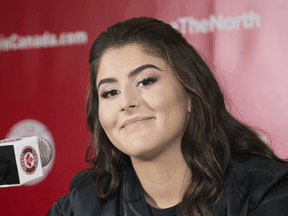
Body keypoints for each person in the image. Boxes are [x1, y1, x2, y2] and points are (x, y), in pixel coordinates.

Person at [47, 17, 288, 216]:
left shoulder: (266, 191)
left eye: (145, 81)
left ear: (191, 92)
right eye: (110, 92)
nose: (126, 103)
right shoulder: (81, 205)